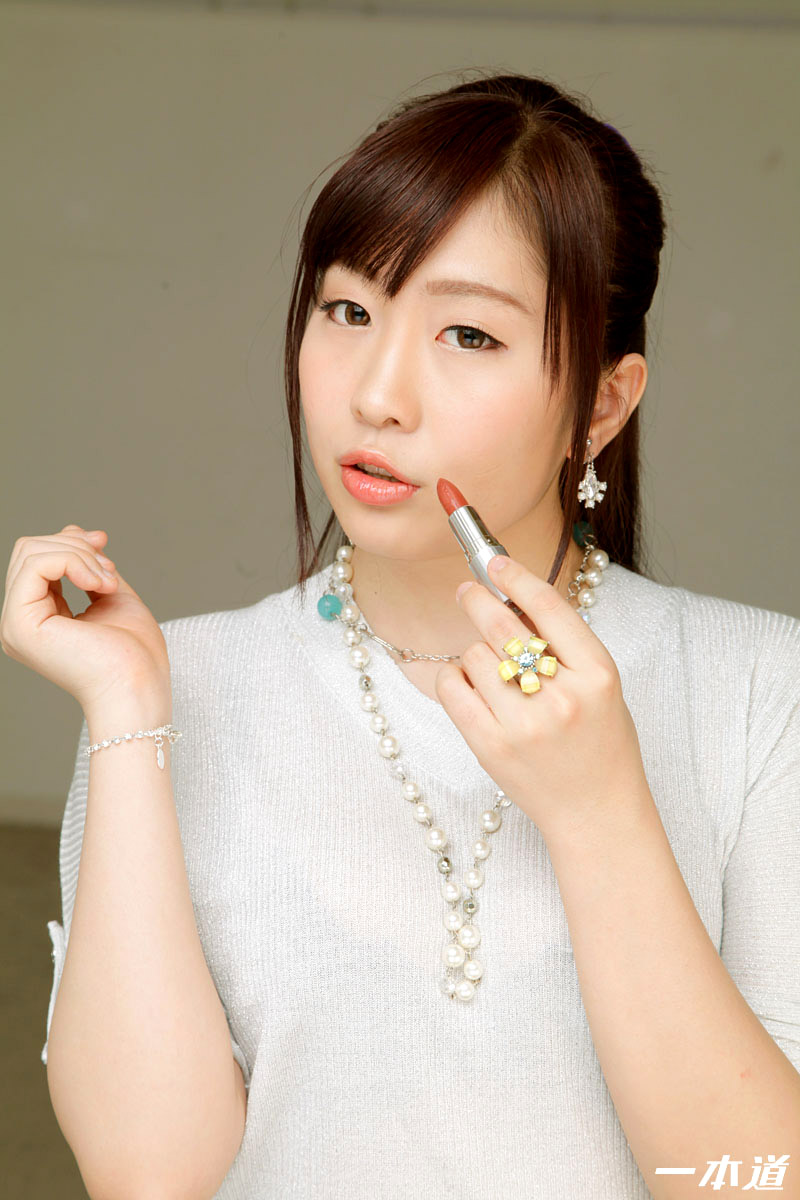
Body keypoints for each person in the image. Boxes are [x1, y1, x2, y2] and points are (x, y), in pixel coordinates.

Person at [3, 71, 798, 1199]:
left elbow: (753, 1183)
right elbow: (152, 1176)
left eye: (467, 334)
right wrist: (128, 715)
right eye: (348, 311)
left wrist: (599, 813)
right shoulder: (178, 690)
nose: (378, 393)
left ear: (602, 405)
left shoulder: (764, 690)